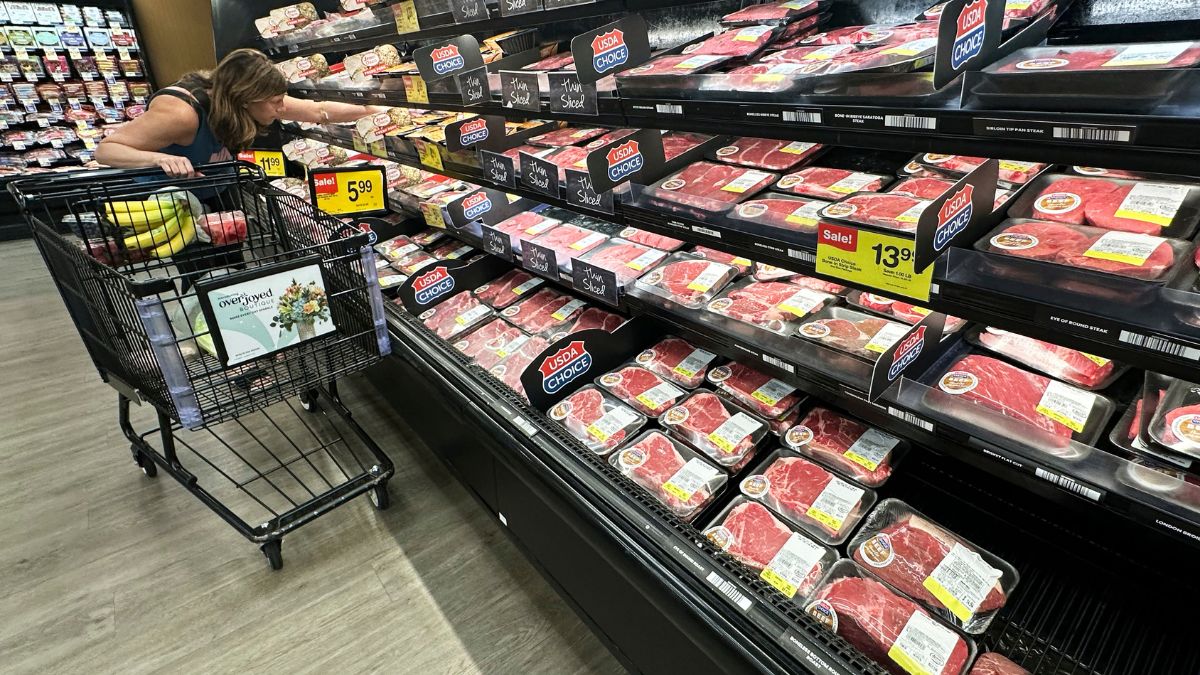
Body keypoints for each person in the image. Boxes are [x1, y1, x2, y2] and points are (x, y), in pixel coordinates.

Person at [96, 48, 384, 179]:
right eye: (276, 102)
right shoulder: (182, 114)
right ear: (247, 100)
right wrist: (161, 158)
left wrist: (378, 109)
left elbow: (319, 111)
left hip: (212, 188)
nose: (283, 108)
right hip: (161, 203)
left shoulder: (250, 102)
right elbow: (107, 150)